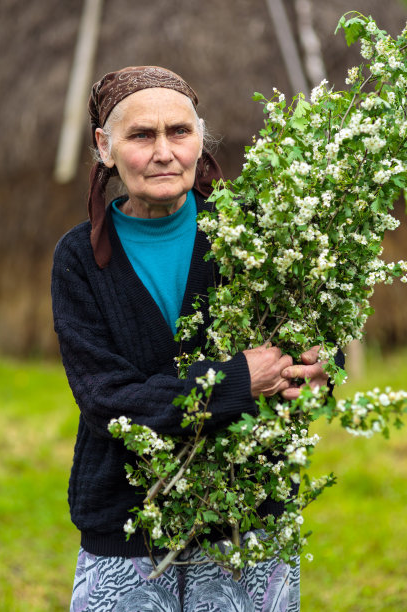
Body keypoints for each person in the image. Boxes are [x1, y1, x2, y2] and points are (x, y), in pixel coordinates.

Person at [52, 66, 334, 612]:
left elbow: (308, 336)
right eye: (141, 136)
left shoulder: (250, 235)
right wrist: (235, 383)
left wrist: (321, 364)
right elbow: (107, 399)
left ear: (199, 140)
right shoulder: (80, 260)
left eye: (179, 132)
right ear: (105, 147)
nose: (164, 152)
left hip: (245, 518)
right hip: (129, 523)